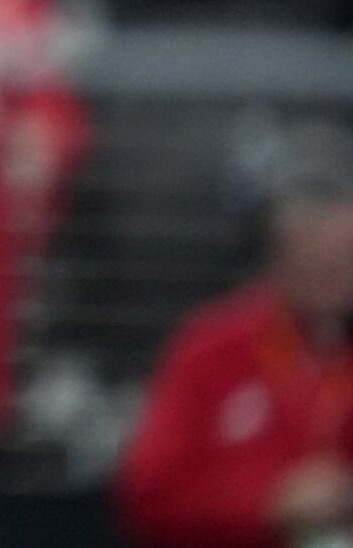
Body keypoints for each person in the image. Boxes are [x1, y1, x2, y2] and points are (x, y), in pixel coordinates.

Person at [117, 162, 353, 548]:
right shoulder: (212, 349)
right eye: (313, 257)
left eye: (344, 259)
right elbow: (149, 495)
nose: (331, 275)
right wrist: (269, 501)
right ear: (277, 257)